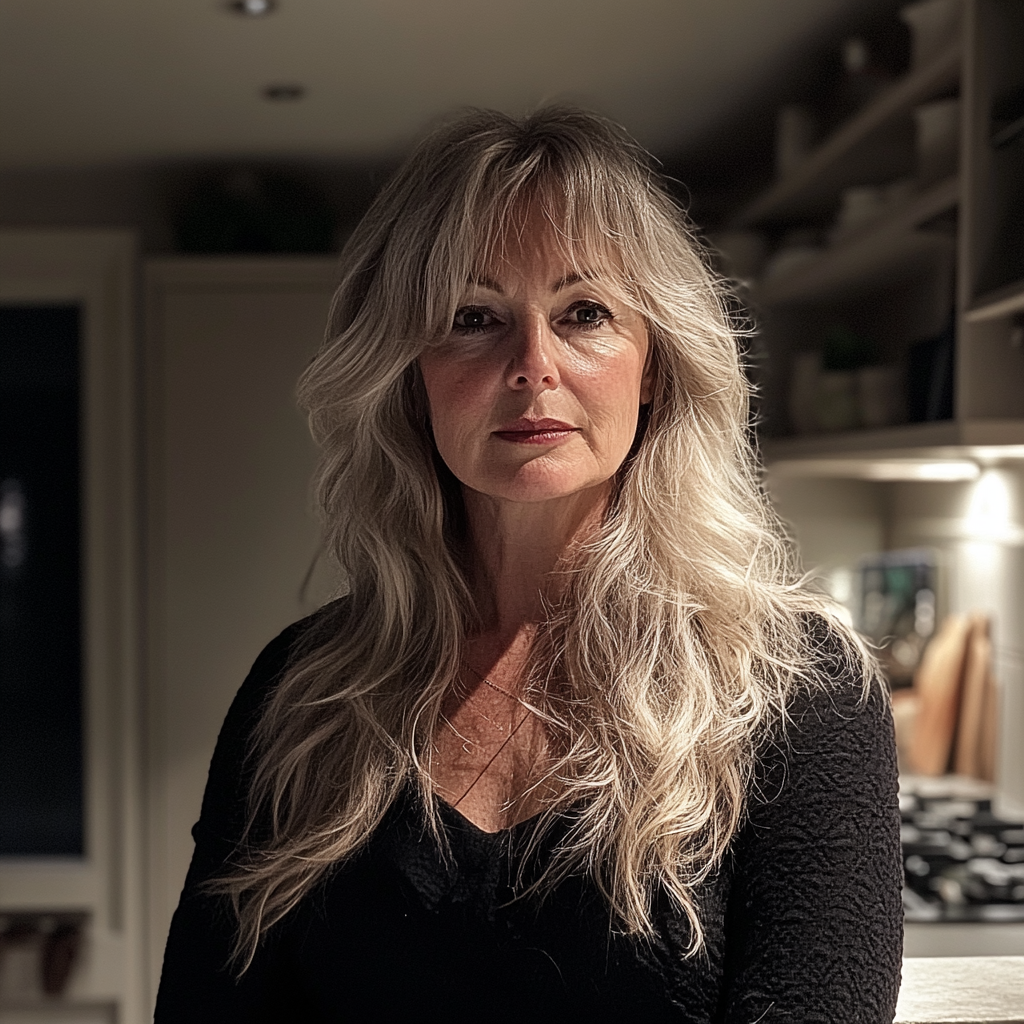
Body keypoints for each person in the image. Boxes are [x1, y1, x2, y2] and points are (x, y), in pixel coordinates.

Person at [155, 107, 902, 1022]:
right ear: (408, 377)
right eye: (474, 318)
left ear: (655, 365)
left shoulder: (799, 694)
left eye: (584, 313)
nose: (532, 364)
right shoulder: (301, 694)